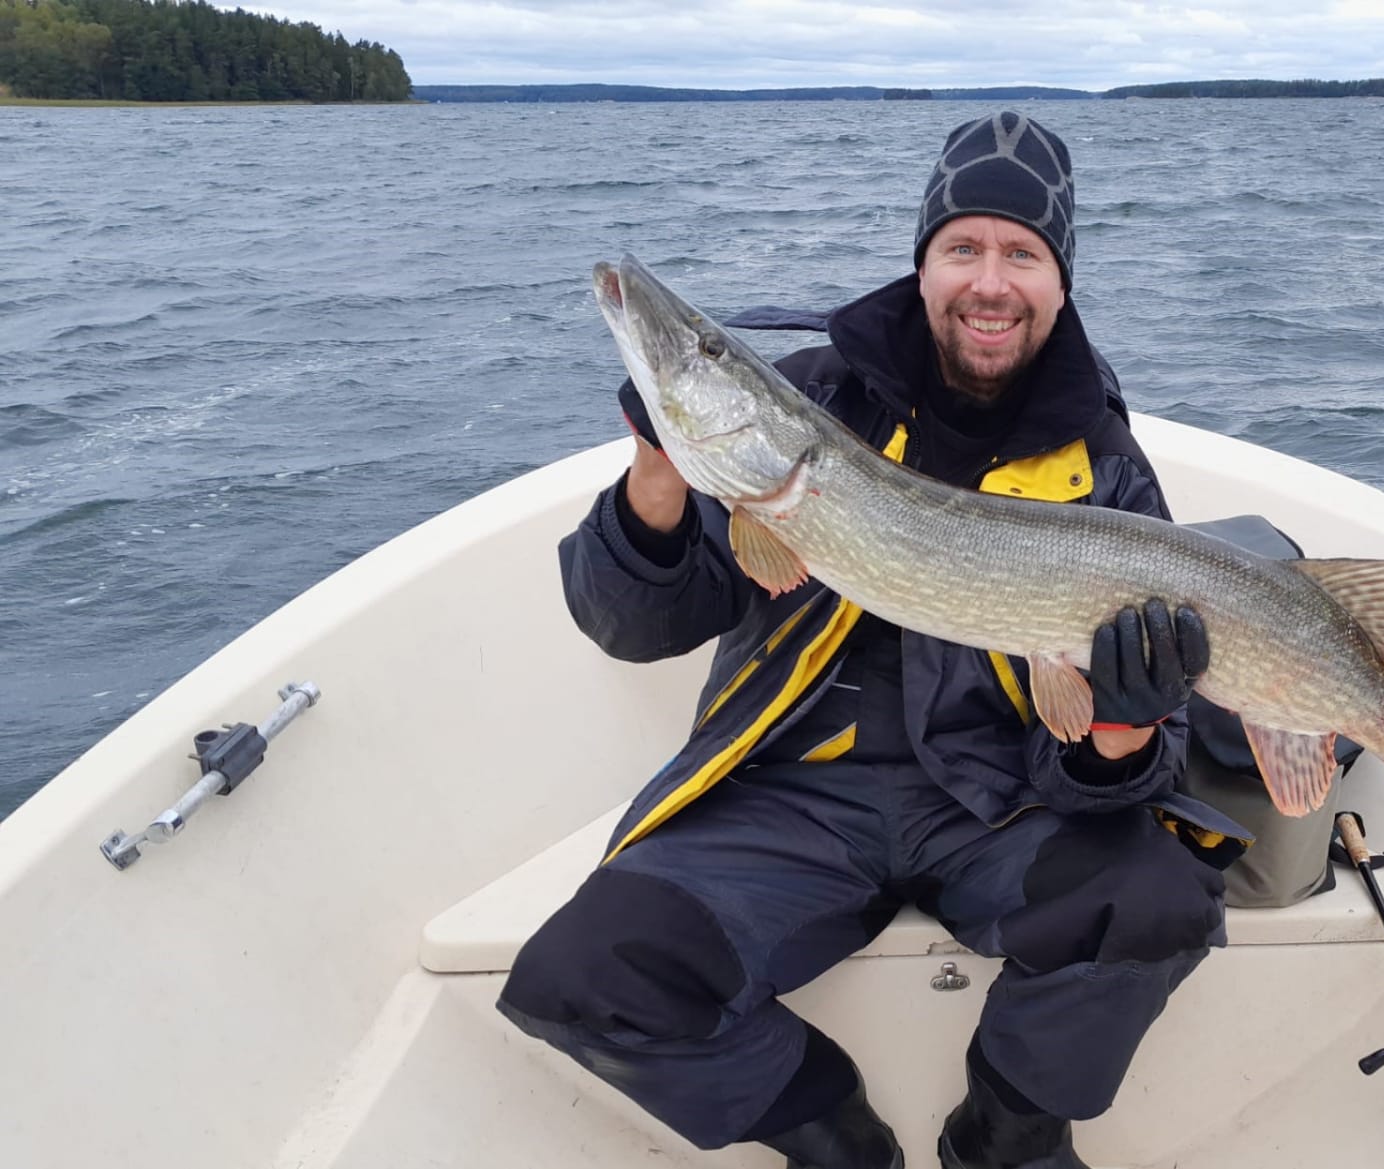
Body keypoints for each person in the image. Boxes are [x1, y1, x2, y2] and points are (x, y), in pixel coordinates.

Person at [498, 110, 1248, 1169]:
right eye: (963, 248)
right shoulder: (805, 402)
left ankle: (1004, 1141)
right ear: (923, 264)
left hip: (1001, 801)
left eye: (1022, 254)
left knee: (1158, 901)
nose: (990, 282)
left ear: (1060, 282)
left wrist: (1121, 731)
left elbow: (1127, 767)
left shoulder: (1106, 466)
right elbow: (631, 624)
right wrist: (658, 464)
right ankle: (838, 1141)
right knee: (588, 977)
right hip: (791, 795)